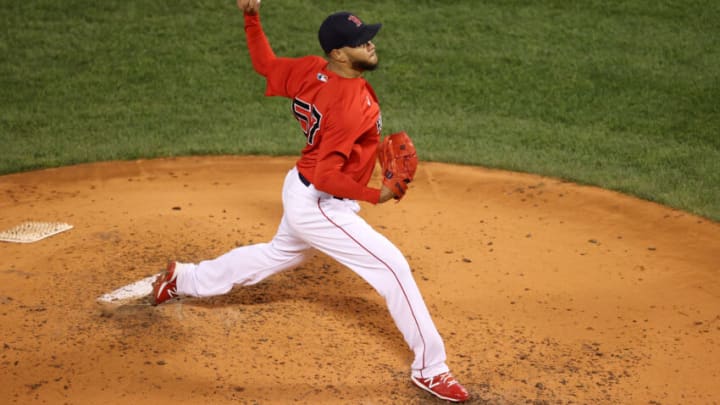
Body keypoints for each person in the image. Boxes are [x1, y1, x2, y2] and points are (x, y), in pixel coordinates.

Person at [151, 0, 470, 402]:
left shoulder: (309, 70)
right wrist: (377, 194)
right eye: (360, 42)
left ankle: (184, 279)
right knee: (393, 268)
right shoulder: (349, 105)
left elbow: (265, 64)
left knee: (276, 255)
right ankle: (431, 368)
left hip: (301, 189)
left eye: (368, 36)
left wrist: (251, 17)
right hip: (321, 202)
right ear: (338, 54)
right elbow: (326, 176)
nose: (370, 44)